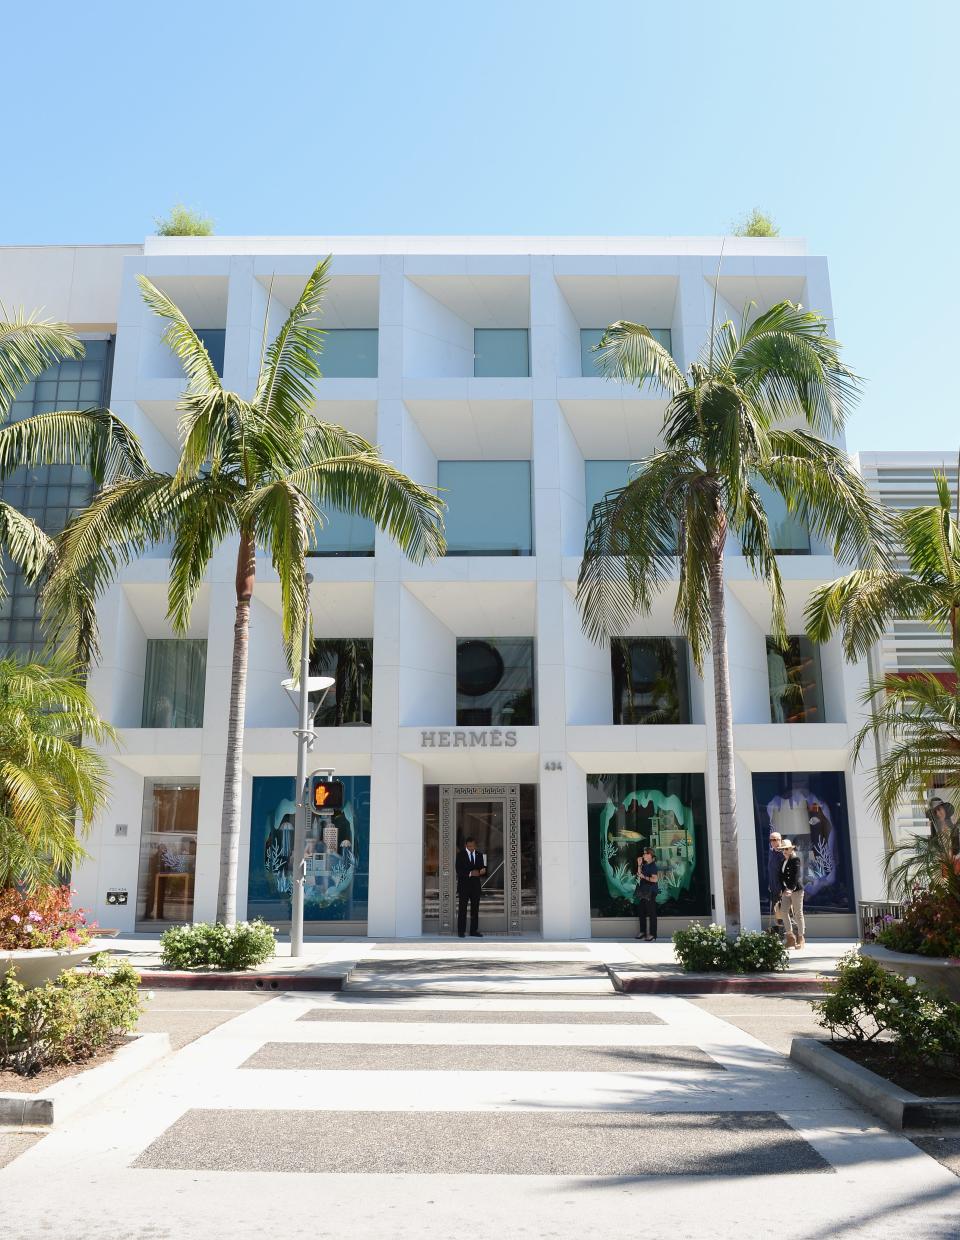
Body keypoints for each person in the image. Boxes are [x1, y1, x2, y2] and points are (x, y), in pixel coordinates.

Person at [456, 835, 486, 938]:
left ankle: (474, 931)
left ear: (475, 846)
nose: (471, 848)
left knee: (475, 910)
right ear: (466, 845)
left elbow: (482, 869)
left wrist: (483, 871)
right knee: (462, 909)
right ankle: (461, 931)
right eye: (469, 846)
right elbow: (458, 871)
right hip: (464, 887)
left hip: (475, 887)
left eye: (472, 846)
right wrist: (470, 873)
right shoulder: (460, 855)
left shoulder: (479, 855)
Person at [779, 838, 805, 949]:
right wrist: (783, 889)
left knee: (798, 913)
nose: (784, 851)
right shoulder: (783, 861)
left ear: (790, 849)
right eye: (783, 849)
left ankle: (800, 938)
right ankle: (790, 937)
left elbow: (796, 876)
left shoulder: (795, 859)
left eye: (786, 849)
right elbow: (781, 877)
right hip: (786, 890)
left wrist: (791, 888)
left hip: (796, 890)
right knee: (783, 911)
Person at [634, 846, 659, 942]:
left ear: (649, 855)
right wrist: (639, 864)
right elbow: (639, 874)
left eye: (645, 853)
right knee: (641, 912)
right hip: (644, 891)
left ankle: (653, 934)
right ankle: (643, 932)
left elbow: (655, 879)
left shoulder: (653, 866)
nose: (643, 855)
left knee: (652, 913)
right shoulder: (645, 865)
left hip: (651, 892)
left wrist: (644, 877)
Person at [766, 830, 784, 937]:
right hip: (773, 886)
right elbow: (771, 870)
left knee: (783, 910)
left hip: (781, 887)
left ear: (780, 840)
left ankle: (788, 933)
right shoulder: (771, 852)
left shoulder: (783, 853)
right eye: (772, 840)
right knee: (776, 910)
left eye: (777, 839)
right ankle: (779, 933)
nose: (775, 842)